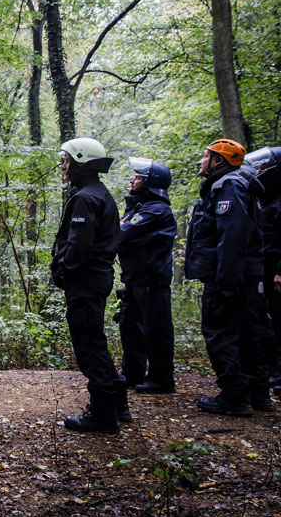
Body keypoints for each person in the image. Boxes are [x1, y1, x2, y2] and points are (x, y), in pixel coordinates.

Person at [185, 139, 271, 416]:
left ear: (218, 161)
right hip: (244, 276)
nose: (201, 161)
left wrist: (227, 281)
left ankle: (234, 396)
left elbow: (232, 236)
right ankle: (258, 395)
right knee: (248, 333)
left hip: (231, 278)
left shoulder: (229, 186)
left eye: (205, 157)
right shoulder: (238, 184)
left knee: (220, 333)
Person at [51, 137, 126, 433]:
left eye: (67, 160)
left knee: (89, 345)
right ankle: (117, 404)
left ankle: (103, 415)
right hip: (95, 277)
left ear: (82, 161)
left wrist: (63, 271)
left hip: (86, 280)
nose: (64, 166)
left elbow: (78, 247)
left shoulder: (85, 197)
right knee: (94, 339)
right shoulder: (96, 193)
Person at [117, 158, 177, 393]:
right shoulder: (140, 207)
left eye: (139, 177)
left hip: (152, 281)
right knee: (131, 328)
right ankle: (132, 375)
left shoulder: (157, 210)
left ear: (151, 183)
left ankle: (162, 379)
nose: (133, 180)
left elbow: (122, 233)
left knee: (156, 331)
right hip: (136, 279)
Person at [244, 147, 281, 395]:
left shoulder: (278, 202)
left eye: (263, 168)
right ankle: (273, 374)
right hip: (265, 273)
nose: (258, 172)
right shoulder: (269, 199)